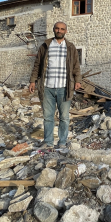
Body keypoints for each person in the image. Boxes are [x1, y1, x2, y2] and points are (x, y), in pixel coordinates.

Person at [29, 22, 82, 150]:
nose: (59, 30)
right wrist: (32, 81)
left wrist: (77, 80)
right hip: (47, 87)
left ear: (66, 31)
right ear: (53, 30)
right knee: (48, 117)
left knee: (64, 117)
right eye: (57, 28)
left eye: (62, 29)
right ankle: (48, 142)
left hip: (64, 87)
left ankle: (62, 142)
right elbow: (37, 65)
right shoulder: (45, 46)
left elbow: (76, 66)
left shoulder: (70, 47)